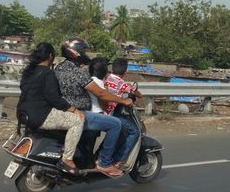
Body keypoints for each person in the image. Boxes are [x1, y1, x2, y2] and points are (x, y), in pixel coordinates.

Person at [55, 38, 133, 177]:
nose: (85, 53)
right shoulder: (78, 72)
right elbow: (101, 93)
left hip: (63, 111)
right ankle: (104, 162)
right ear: (75, 52)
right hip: (79, 113)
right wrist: (124, 101)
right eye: (83, 50)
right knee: (116, 124)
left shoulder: (59, 68)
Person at [17, 42, 85, 173]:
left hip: (22, 114)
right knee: (77, 121)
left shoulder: (28, 72)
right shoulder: (47, 73)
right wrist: (74, 110)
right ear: (50, 56)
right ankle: (67, 159)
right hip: (39, 115)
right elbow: (55, 99)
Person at [105, 57, 143, 168]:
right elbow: (138, 95)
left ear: (112, 69)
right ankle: (119, 160)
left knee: (123, 130)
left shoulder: (106, 78)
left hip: (101, 112)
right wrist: (135, 91)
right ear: (125, 72)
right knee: (134, 132)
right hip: (110, 115)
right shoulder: (122, 84)